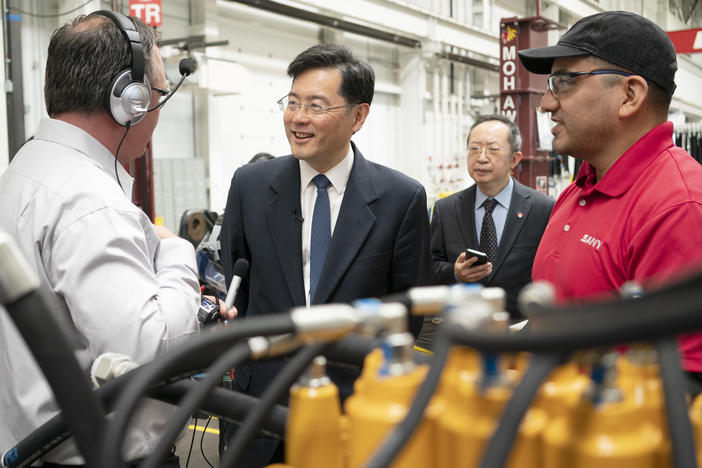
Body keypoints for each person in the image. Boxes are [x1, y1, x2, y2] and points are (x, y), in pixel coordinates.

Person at [0, 11, 233, 467]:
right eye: (159, 95)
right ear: (129, 101)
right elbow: (147, 351)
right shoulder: (90, 204)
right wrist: (176, 251)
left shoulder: (25, 169)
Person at [219, 43, 431, 466]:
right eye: (292, 102)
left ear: (358, 116)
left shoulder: (400, 199)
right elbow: (238, 282)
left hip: (354, 407)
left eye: (316, 106)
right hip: (260, 405)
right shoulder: (251, 186)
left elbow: (407, 314)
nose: (298, 118)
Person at [518, 11, 702, 383]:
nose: (546, 104)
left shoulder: (678, 207)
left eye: (565, 82)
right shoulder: (578, 189)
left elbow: (681, 389)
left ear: (629, 96)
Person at [417, 115, 553, 348]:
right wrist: (456, 274)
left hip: (523, 335)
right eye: (474, 149)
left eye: (492, 150)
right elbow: (427, 268)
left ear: (515, 159)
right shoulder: (446, 209)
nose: (481, 158)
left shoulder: (542, 208)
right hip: (462, 335)